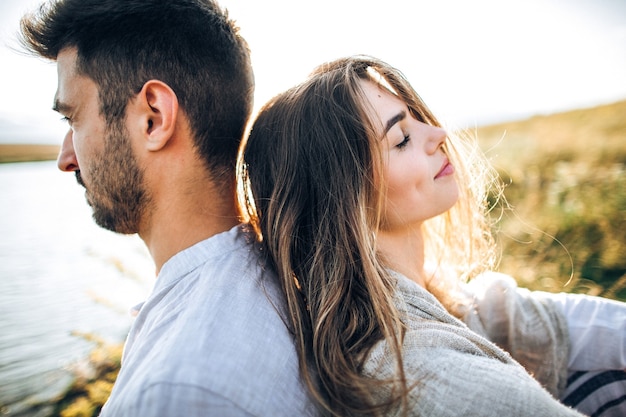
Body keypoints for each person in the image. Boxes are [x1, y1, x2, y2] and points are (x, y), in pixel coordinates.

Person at [239, 55, 626, 416]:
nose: (438, 133)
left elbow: (529, 318)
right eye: (402, 139)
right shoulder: (418, 377)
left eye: (416, 119)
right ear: (343, 200)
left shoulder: (433, 302)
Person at [19, 1, 319, 416]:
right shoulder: (278, 277)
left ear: (154, 118)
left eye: (73, 118)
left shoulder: (177, 392)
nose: (66, 158)